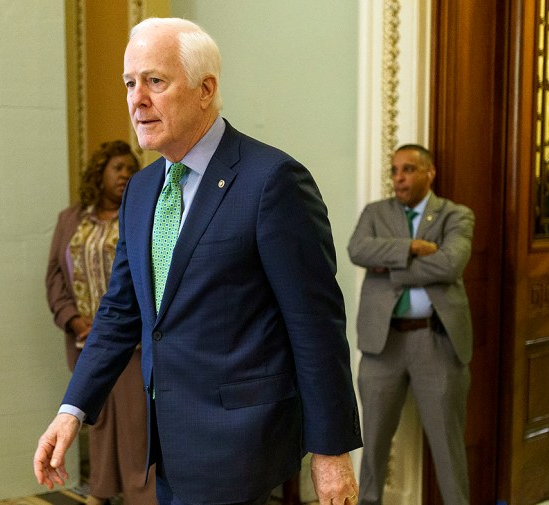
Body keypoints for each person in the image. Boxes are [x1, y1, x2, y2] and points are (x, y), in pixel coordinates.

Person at [34, 17, 362, 505]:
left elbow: (314, 324)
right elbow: (122, 310)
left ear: (205, 89)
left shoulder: (271, 181)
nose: (136, 99)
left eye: (155, 81)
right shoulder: (143, 190)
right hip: (167, 444)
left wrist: (331, 451)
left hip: (242, 445)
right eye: (129, 83)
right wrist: (72, 409)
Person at [347, 144, 474, 504]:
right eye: (394, 171)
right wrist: (413, 247)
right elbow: (358, 250)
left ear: (429, 172)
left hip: (436, 341)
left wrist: (391, 268)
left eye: (408, 170)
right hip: (382, 345)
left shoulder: (455, 215)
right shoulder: (375, 213)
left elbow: (451, 265)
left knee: (448, 446)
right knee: (371, 444)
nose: (399, 178)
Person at [46, 139, 155, 505]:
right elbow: (55, 279)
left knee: (137, 424)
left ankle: (143, 496)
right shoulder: (71, 219)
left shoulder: (143, 211)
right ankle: (103, 490)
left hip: (134, 342)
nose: (125, 175)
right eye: (117, 168)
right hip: (85, 340)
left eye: (130, 169)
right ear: (100, 173)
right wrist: (75, 321)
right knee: (98, 421)